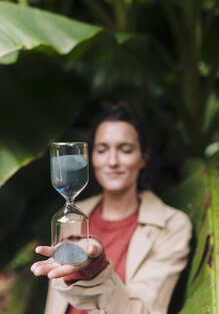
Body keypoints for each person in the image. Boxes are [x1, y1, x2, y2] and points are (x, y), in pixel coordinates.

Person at [31, 102, 192, 314]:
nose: (113, 161)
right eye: (102, 150)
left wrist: (96, 271)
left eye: (125, 150)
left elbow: (145, 310)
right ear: (90, 159)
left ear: (144, 158)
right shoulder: (75, 215)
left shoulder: (172, 225)